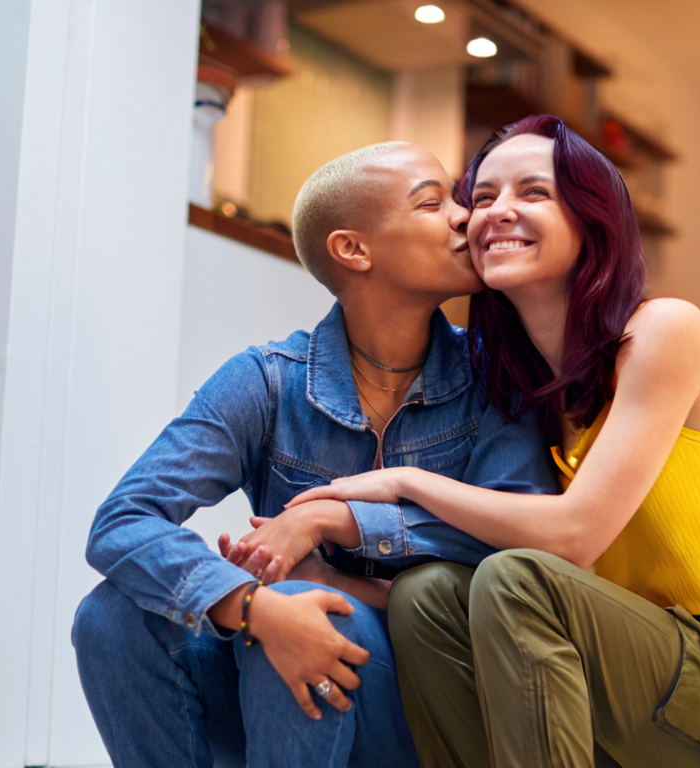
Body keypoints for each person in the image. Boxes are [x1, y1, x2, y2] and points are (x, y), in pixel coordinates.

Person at [268, 116, 700, 768]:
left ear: (591, 220)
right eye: (481, 199)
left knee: (518, 577)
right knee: (428, 594)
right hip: (633, 679)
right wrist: (317, 576)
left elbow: (575, 537)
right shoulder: (524, 397)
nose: (495, 213)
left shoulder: (664, 333)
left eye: (533, 192)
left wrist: (402, 481)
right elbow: (516, 594)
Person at [71, 141, 556, 768]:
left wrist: (342, 522)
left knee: (310, 613)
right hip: (282, 690)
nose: (466, 217)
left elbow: (520, 543)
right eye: (434, 203)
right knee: (110, 615)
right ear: (353, 250)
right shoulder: (269, 380)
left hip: (431, 697)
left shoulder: (498, 377)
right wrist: (249, 605)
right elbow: (122, 521)